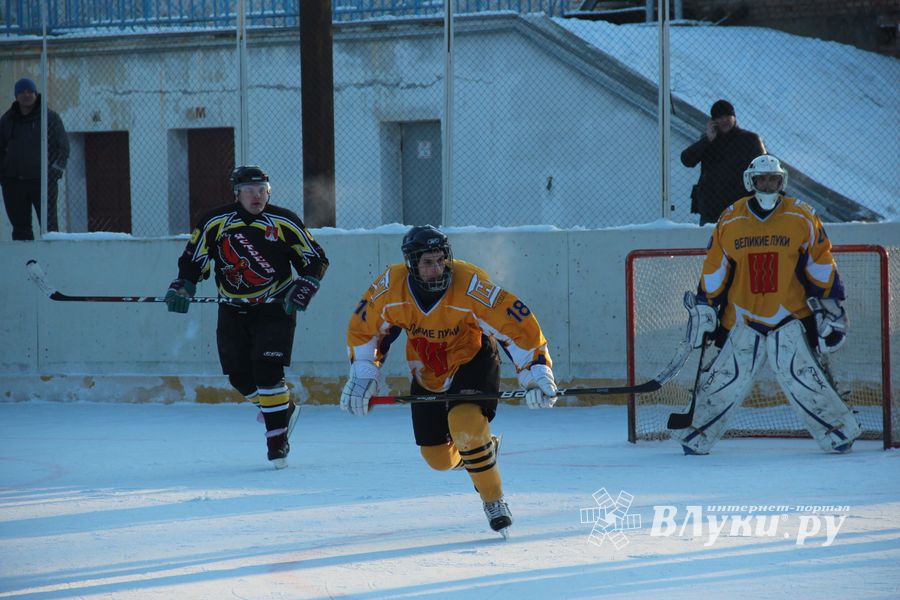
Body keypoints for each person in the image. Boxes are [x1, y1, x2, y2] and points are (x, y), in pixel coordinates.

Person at [340, 225, 558, 538]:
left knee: (465, 424)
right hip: (427, 370)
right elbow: (366, 330)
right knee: (438, 459)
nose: (437, 268)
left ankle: (493, 499)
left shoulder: (470, 285)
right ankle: (481, 449)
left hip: (472, 361)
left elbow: (515, 325)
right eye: (427, 262)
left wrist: (535, 372)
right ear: (412, 265)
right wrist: (364, 373)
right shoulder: (391, 287)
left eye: (441, 260)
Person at [678, 154, 860, 455]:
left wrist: (832, 307)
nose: (767, 184)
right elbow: (715, 267)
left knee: (805, 379)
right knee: (724, 380)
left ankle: (838, 432)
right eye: (761, 179)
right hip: (741, 318)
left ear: (781, 181)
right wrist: (706, 305)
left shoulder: (801, 215)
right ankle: (696, 435)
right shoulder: (731, 218)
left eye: (773, 179)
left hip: (791, 316)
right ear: (751, 181)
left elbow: (820, 262)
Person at [164, 165, 329, 469]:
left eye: (262, 190)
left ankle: (277, 441)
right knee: (239, 375)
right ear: (237, 193)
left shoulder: (283, 221)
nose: (257, 196)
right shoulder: (215, 222)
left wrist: (306, 284)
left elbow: (315, 258)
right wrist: (183, 285)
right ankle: (282, 410)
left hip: (275, 307)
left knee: (267, 371)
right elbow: (193, 260)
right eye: (250, 190)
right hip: (232, 308)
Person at [0, 77, 69, 240]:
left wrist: (54, 172)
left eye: (30, 91)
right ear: (16, 96)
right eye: (22, 92)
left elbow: (63, 147)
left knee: (49, 227)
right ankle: (25, 256)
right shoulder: (7, 120)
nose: (26, 95)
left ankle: (53, 255)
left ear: (36, 94)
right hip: (14, 183)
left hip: (43, 182)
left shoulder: (50, 118)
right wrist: (4, 176)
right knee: (20, 228)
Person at [681, 99, 765, 225]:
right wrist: (707, 140)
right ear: (713, 121)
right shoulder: (709, 141)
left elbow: (764, 168)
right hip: (711, 208)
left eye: (727, 116)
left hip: (741, 207)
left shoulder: (750, 140)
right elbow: (687, 160)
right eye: (719, 118)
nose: (724, 120)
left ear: (734, 118)